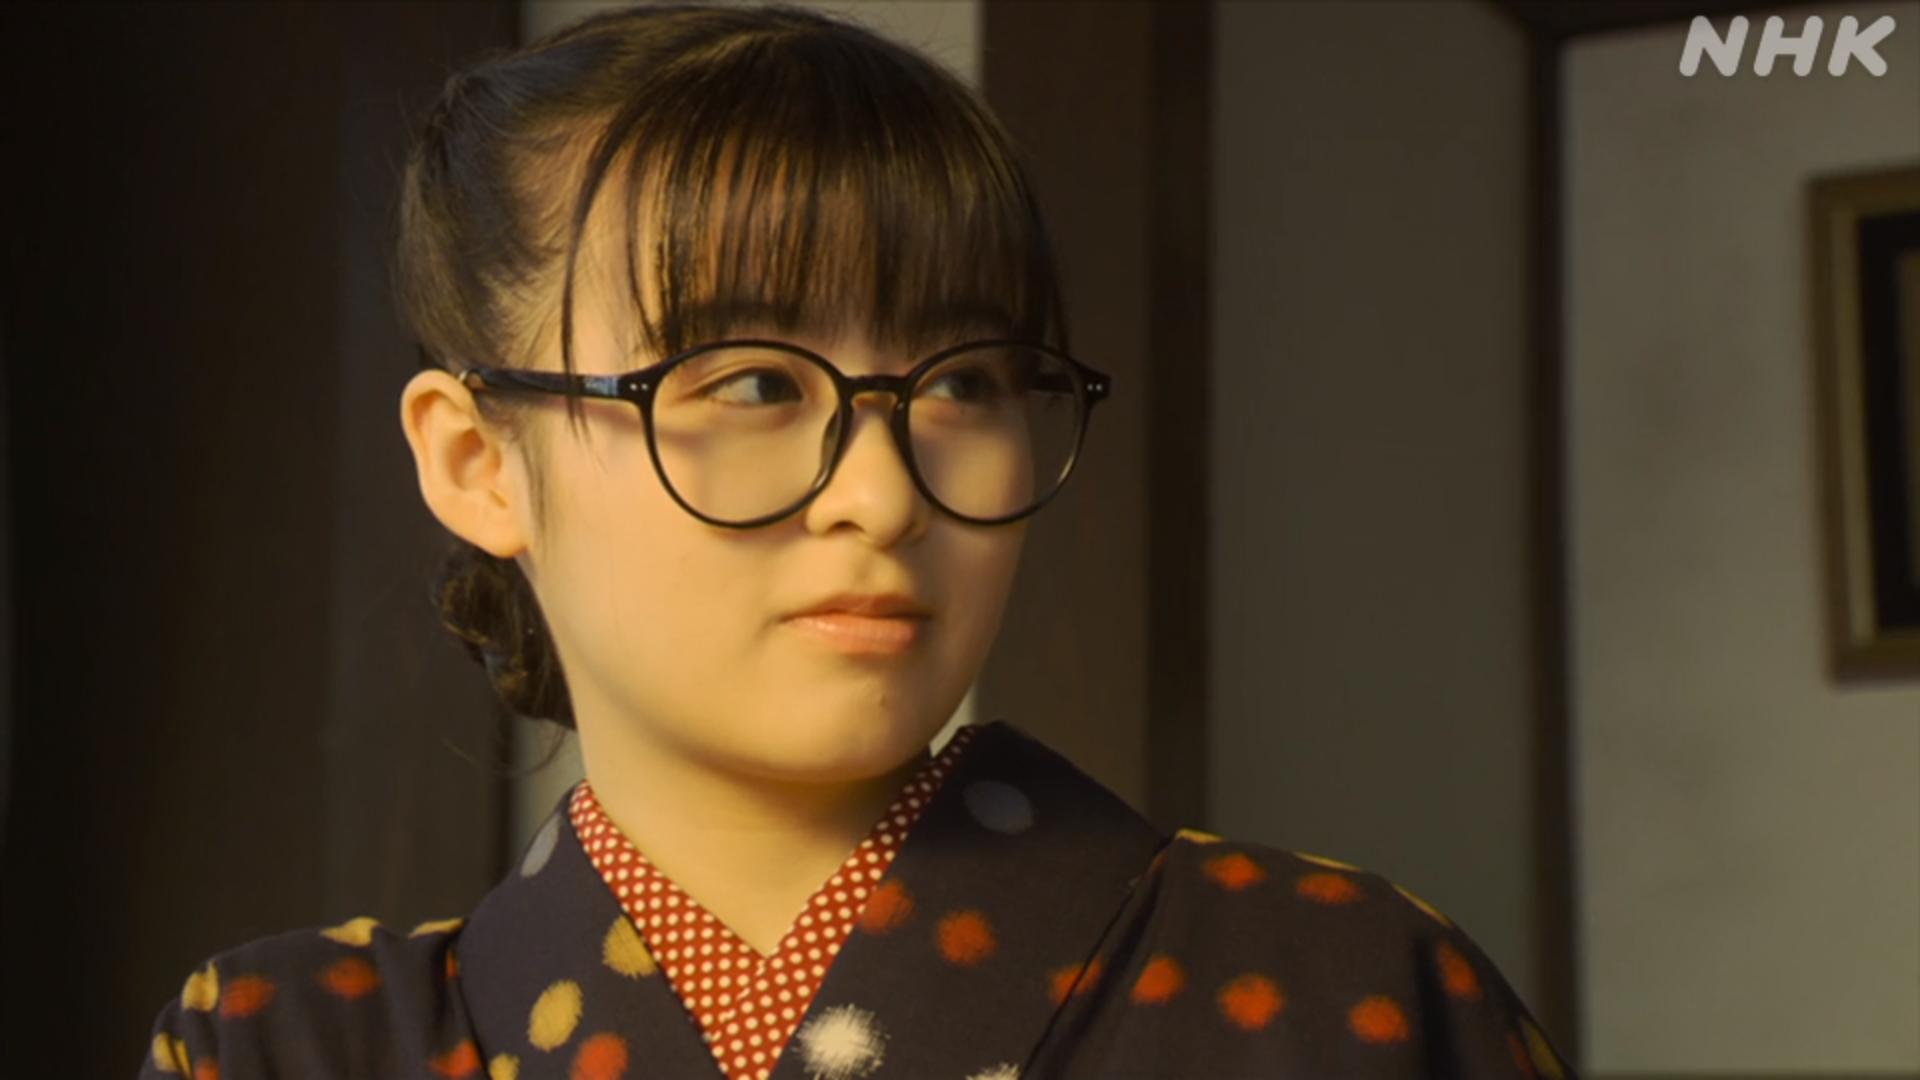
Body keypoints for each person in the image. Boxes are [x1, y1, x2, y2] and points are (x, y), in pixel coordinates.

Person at [141, 5, 1573, 1078]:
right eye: (753, 385)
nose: (883, 498)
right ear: (476, 461)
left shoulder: (1347, 989)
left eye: (965, 384)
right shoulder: (283, 1045)